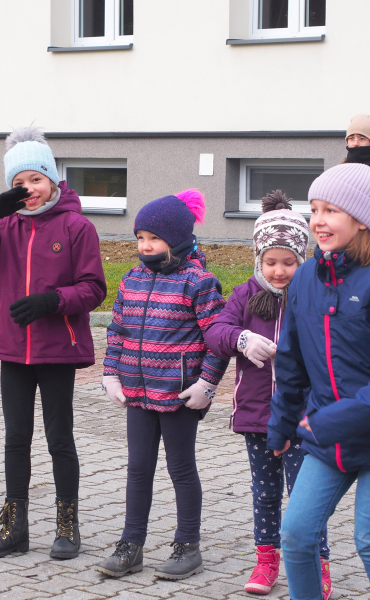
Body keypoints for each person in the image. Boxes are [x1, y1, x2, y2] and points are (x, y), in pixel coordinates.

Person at [0, 126, 106, 560]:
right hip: (13, 349)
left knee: (59, 438)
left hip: (57, 350)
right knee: (16, 438)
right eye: (19, 183)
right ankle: (14, 528)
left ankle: (67, 525)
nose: (29, 189)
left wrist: (51, 301)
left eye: (36, 179)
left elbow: (94, 288)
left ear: (53, 180)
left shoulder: (77, 227)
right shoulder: (5, 225)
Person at [94, 191, 229, 580]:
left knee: (181, 469)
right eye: (140, 237)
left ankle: (188, 546)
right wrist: (111, 372)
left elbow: (217, 339)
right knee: (138, 469)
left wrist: (207, 383)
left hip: (179, 395)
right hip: (137, 392)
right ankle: (131, 545)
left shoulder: (199, 282)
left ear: (178, 238)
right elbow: (117, 330)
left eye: (154, 238)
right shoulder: (131, 278)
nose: (146, 245)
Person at [204, 191, 331, 596]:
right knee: (265, 493)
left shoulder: (314, 294)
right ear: (258, 259)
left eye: (289, 263)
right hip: (257, 416)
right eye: (270, 262)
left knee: (305, 497)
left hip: (305, 419)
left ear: (303, 260)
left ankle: (317, 563)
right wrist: (241, 339)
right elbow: (215, 332)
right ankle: (266, 560)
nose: (279, 271)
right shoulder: (245, 295)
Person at [267, 163, 370, 600]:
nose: (319, 221)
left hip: (340, 426)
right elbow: (291, 359)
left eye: (332, 210)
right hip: (329, 437)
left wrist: (328, 421)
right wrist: (281, 424)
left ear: (361, 219)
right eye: (314, 209)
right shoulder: (307, 275)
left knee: (368, 539)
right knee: (296, 534)